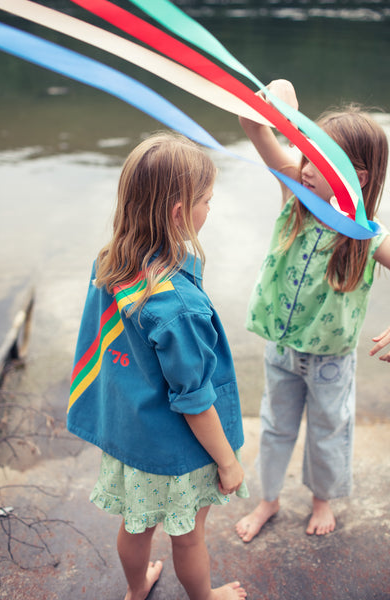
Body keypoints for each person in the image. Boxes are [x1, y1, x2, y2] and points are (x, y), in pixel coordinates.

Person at [67, 132, 248, 600]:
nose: (210, 208)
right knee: (188, 536)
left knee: (136, 525)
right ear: (178, 212)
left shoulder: (111, 261)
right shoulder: (176, 306)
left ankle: (134, 590)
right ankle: (205, 597)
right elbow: (193, 399)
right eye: (206, 200)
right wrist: (228, 462)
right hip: (176, 451)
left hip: (132, 436)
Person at [234, 79, 390, 543]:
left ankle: (322, 499)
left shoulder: (366, 236)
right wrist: (279, 95)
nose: (303, 167)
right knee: (275, 426)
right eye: (304, 153)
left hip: (330, 362)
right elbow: (252, 124)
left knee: (327, 433)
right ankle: (270, 498)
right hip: (280, 350)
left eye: (316, 162)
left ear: (356, 177)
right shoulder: (295, 197)